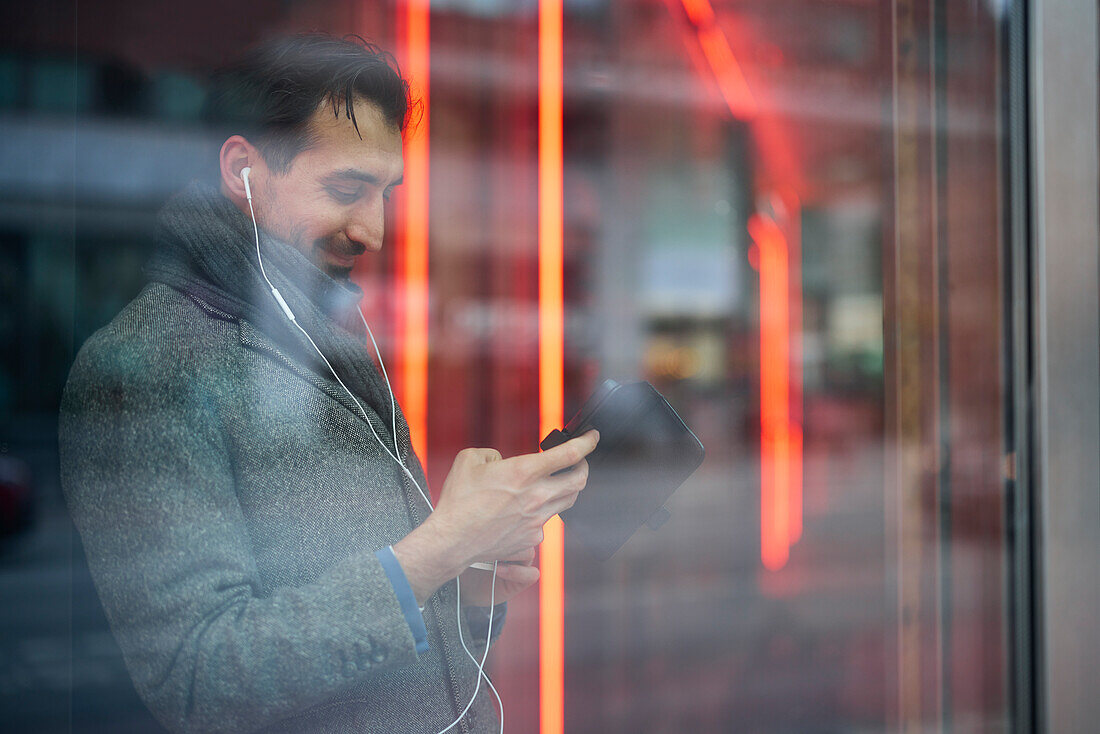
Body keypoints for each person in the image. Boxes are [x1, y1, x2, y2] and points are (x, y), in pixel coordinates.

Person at [59, 33, 597, 734]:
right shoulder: (147, 366)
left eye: (385, 194)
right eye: (347, 189)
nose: (373, 229)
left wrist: (465, 574)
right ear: (243, 171)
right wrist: (440, 546)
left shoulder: (319, 340)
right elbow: (198, 680)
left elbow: (392, 643)